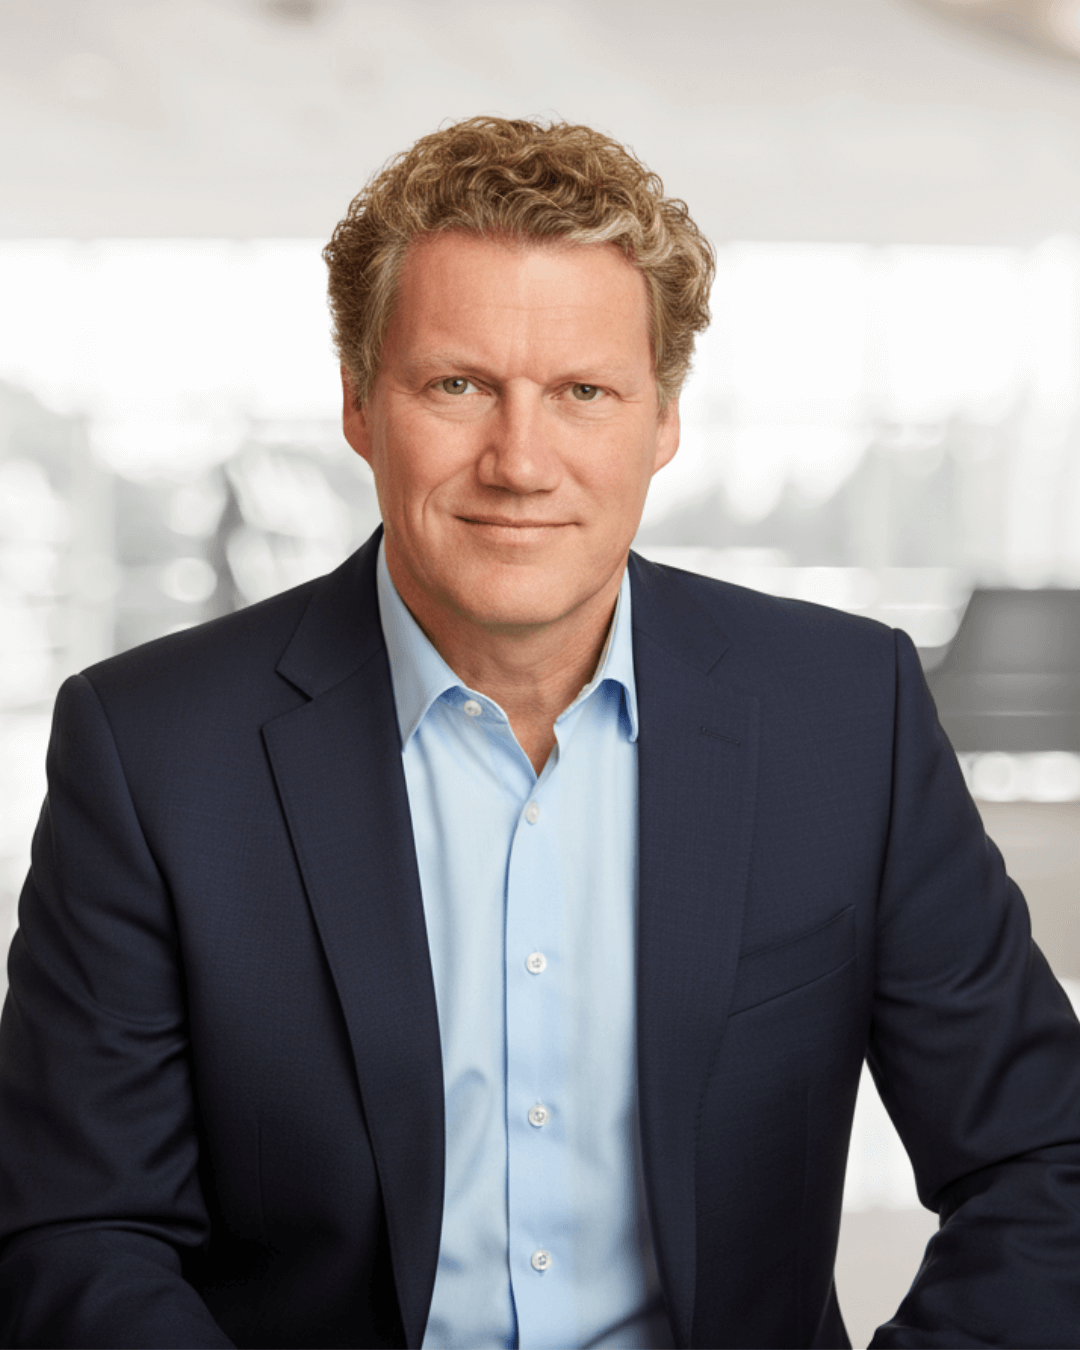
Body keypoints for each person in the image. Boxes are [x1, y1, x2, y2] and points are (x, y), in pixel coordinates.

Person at [1, 116, 1079, 1350]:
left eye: (583, 393)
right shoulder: (151, 753)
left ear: (662, 420)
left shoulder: (846, 716)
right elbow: (82, 1233)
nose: (521, 460)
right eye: (457, 385)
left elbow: (1044, 1162)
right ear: (359, 405)